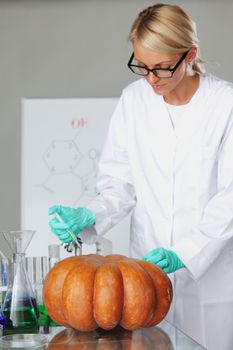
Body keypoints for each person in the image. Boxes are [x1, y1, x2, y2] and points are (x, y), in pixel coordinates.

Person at [48, 3, 233, 350]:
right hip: (142, 278)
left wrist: (186, 253)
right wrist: (90, 214)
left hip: (212, 281)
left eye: (162, 69)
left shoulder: (226, 105)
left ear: (190, 54)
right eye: (142, 67)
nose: (151, 79)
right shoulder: (134, 102)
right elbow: (118, 184)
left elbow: (231, 197)